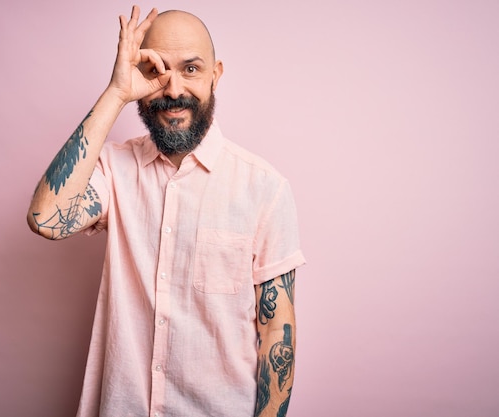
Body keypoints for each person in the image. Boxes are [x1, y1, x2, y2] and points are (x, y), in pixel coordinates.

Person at [27, 6, 305, 417]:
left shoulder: (264, 189)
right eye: (157, 69)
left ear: (217, 74)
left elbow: (276, 333)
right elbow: (46, 218)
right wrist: (117, 92)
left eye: (191, 69)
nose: (173, 88)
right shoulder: (112, 171)